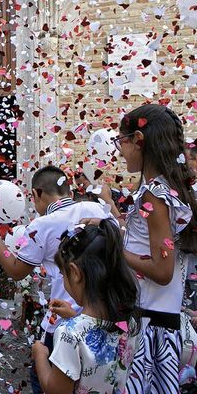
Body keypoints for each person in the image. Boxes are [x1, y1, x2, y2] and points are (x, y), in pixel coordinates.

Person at [0, 165, 115, 394]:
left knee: (48, 383)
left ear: (37, 194)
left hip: (63, 321)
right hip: (102, 314)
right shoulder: (96, 209)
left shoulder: (43, 225)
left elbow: (16, 271)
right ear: (69, 191)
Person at [114, 105, 197, 393]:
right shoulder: (168, 190)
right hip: (158, 321)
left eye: (120, 141)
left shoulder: (155, 194)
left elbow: (163, 271)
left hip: (150, 328)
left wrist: (116, 250)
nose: (119, 150)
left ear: (138, 139)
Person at [32, 219, 140, 393]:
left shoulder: (69, 333)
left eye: (63, 275)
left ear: (75, 273)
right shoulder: (130, 321)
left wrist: (40, 356)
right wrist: (74, 317)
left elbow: (56, 390)